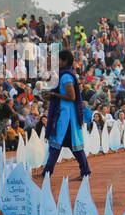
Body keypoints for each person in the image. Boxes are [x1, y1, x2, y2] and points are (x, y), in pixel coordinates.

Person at [37, 50, 91, 181]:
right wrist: (51, 96)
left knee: (62, 145)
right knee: (62, 145)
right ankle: (48, 172)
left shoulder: (66, 77)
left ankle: (48, 173)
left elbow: (71, 97)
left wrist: (54, 95)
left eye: (58, 60)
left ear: (65, 61)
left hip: (67, 118)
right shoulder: (62, 75)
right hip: (63, 115)